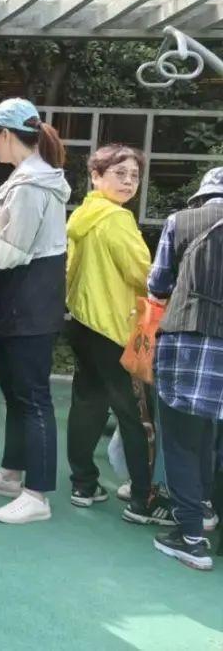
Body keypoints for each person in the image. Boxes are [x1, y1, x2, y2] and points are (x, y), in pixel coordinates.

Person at [0, 98, 70, 525]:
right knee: (17, 394)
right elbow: (8, 238)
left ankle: (37, 494)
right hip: (19, 307)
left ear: (5, 135)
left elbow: (11, 252)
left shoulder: (31, 185)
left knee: (33, 398)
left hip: (28, 307)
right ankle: (11, 474)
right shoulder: (27, 179)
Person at [64, 145, 170, 526]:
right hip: (117, 330)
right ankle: (143, 499)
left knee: (87, 403)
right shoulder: (117, 219)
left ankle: (83, 484)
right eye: (119, 173)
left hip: (82, 323)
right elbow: (145, 274)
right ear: (96, 176)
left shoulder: (82, 215)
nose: (128, 182)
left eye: (134, 176)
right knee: (135, 415)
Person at [147, 166, 223, 571]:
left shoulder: (182, 221)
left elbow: (158, 284)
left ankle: (190, 538)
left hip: (187, 339)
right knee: (209, 432)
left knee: (179, 438)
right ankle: (205, 510)